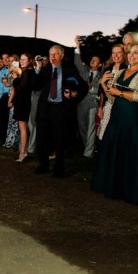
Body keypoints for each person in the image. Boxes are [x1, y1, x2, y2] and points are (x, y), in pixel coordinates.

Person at [91, 43, 138, 204]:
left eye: (135, 53)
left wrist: (118, 92)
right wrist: (104, 85)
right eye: (130, 53)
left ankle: (131, 191)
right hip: (117, 117)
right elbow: (111, 98)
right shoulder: (120, 72)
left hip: (133, 119)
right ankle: (113, 187)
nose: (132, 56)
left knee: (131, 154)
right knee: (115, 152)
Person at [33, 45, 87, 178]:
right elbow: (35, 85)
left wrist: (75, 96)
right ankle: (43, 165)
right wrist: (38, 68)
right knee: (42, 137)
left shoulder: (69, 69)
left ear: (61, 56)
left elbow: (83, 86)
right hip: (45, 109)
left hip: (61, 109)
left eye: (55, 54)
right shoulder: (45, 69)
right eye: (50, 54)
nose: (52, 57)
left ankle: (59, 168)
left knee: (59, 139)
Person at [73, 35, 102, 158]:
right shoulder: (85, 71)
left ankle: (88, 153)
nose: (92, 61)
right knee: (82, 127)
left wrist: (93, 88)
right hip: (81, 104)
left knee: (91, 128)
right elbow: (77, 62)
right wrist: (77, 47)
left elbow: (102, 90)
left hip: (93, 104)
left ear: (100, 65)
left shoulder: (102, 75)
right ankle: (89, 148)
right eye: (92, 59)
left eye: (95, 60)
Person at [97, 44, 126, 140]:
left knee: (117, 136)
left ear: (124, 54)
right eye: (113, 53)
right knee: (104, 134)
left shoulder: (127, 70)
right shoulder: (108, 70)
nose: (116, 55)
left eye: (119, 52)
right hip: (108, 106)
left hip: (121, 107)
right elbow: (102, 91)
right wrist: (100, 107)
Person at [9, 53, 34, 162]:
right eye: (21, 59)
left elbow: (21, 88)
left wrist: (15, 79)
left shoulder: (27, 72)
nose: (22, 61)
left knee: (23, 128)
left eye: (24, 59)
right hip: (22, 102)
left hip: (24, 103)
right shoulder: (24, 72)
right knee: (22, 128)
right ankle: (23, 151)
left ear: (30, 61)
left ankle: (22, 153)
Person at [3, 54, 20, 149]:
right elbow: (11, 85)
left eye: (13, 61)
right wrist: (6, 83)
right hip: (12, 95)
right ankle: (10, 141)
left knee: (14, 121)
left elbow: (14, 87)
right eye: (9, 60)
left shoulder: (16, 72)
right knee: (11, 120)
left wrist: (10, 100)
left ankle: (14, 142)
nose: (10, 62)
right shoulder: (11, 71)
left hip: (14, 97)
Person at [0, 53, 11, 138]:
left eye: (6, 58)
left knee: (9, 118)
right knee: (2, 117)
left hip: (11, 95)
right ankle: (3, 136)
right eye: (3, 58)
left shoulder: (13, 69)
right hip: (3, 97)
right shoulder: (1, 71)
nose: (4, 60)